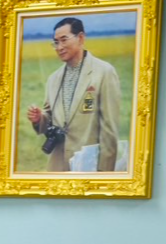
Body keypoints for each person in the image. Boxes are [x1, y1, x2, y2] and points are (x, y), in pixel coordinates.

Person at [26, 16, 124, 172]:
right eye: (56, 42)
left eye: (64, 40)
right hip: (57, 167)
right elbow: (50, 118)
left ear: (80, 38)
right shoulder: (53, 78)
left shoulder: (104, 72)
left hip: (89, 167)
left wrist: (104, 175)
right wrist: (39, 119)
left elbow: (109, 130)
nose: (59, 47)